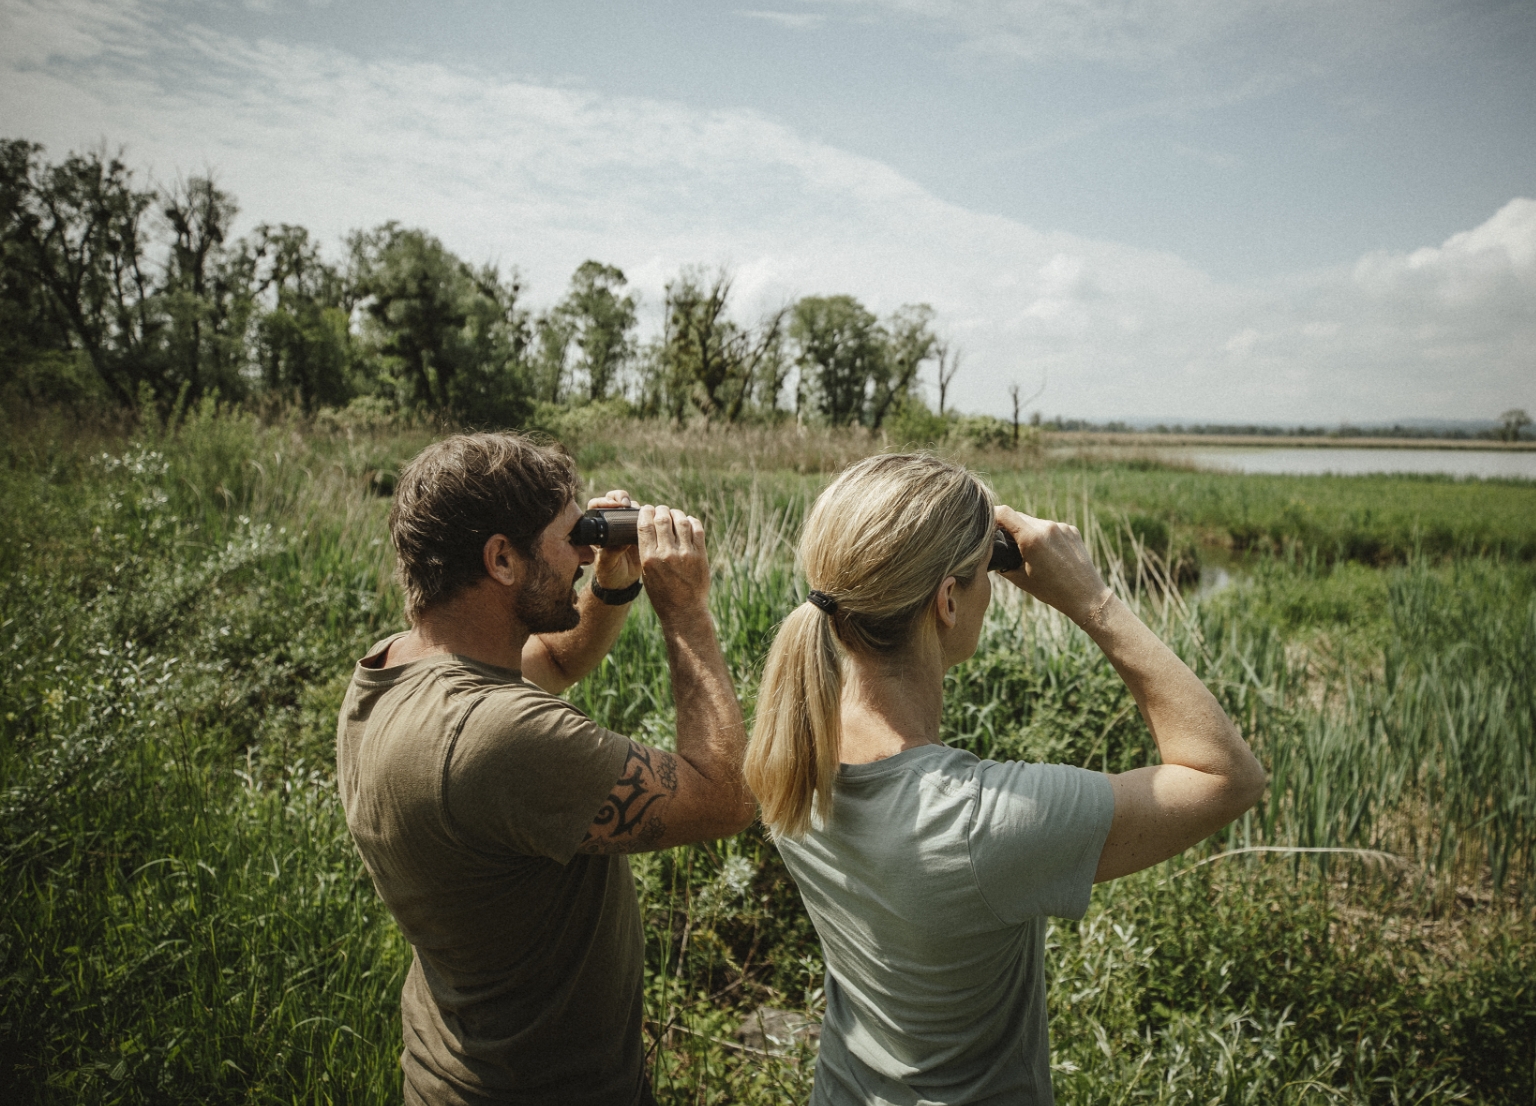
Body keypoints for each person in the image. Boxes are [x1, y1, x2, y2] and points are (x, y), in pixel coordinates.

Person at [744, 453, 1265, 1106]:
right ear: (949, 599)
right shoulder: (979, 823)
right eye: (983, 573)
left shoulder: (791, 756)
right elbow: (1228, 776)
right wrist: (1091, 598)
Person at [336, 432, 754, 1106]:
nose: (587, 551)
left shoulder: (400, 668)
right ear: (502, 558)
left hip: (456, 1071)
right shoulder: (495, 737)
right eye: (573, 536)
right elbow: (724, 798)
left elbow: (555, 664)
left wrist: (610, 588)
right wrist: (685, 609)